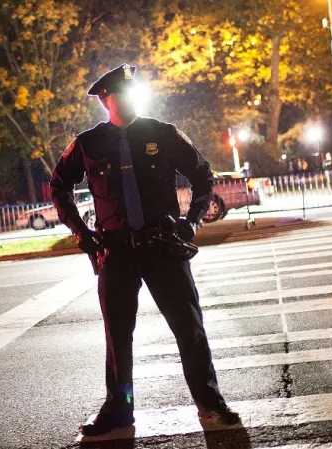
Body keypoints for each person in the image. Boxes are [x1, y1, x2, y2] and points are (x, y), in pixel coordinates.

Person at [50, 64, 240, 436]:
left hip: (163, 247)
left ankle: (209, 402)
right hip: (116, 252)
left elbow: (203, 176)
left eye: (131, 91)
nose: (127, 99)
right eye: (119, 94)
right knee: (118, 336)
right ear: (105, 100)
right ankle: (119, 410)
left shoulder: (163, 134)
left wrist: (192, 222)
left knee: (189, 329)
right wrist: (82, 235)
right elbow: (58, 187)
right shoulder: (89, 143)